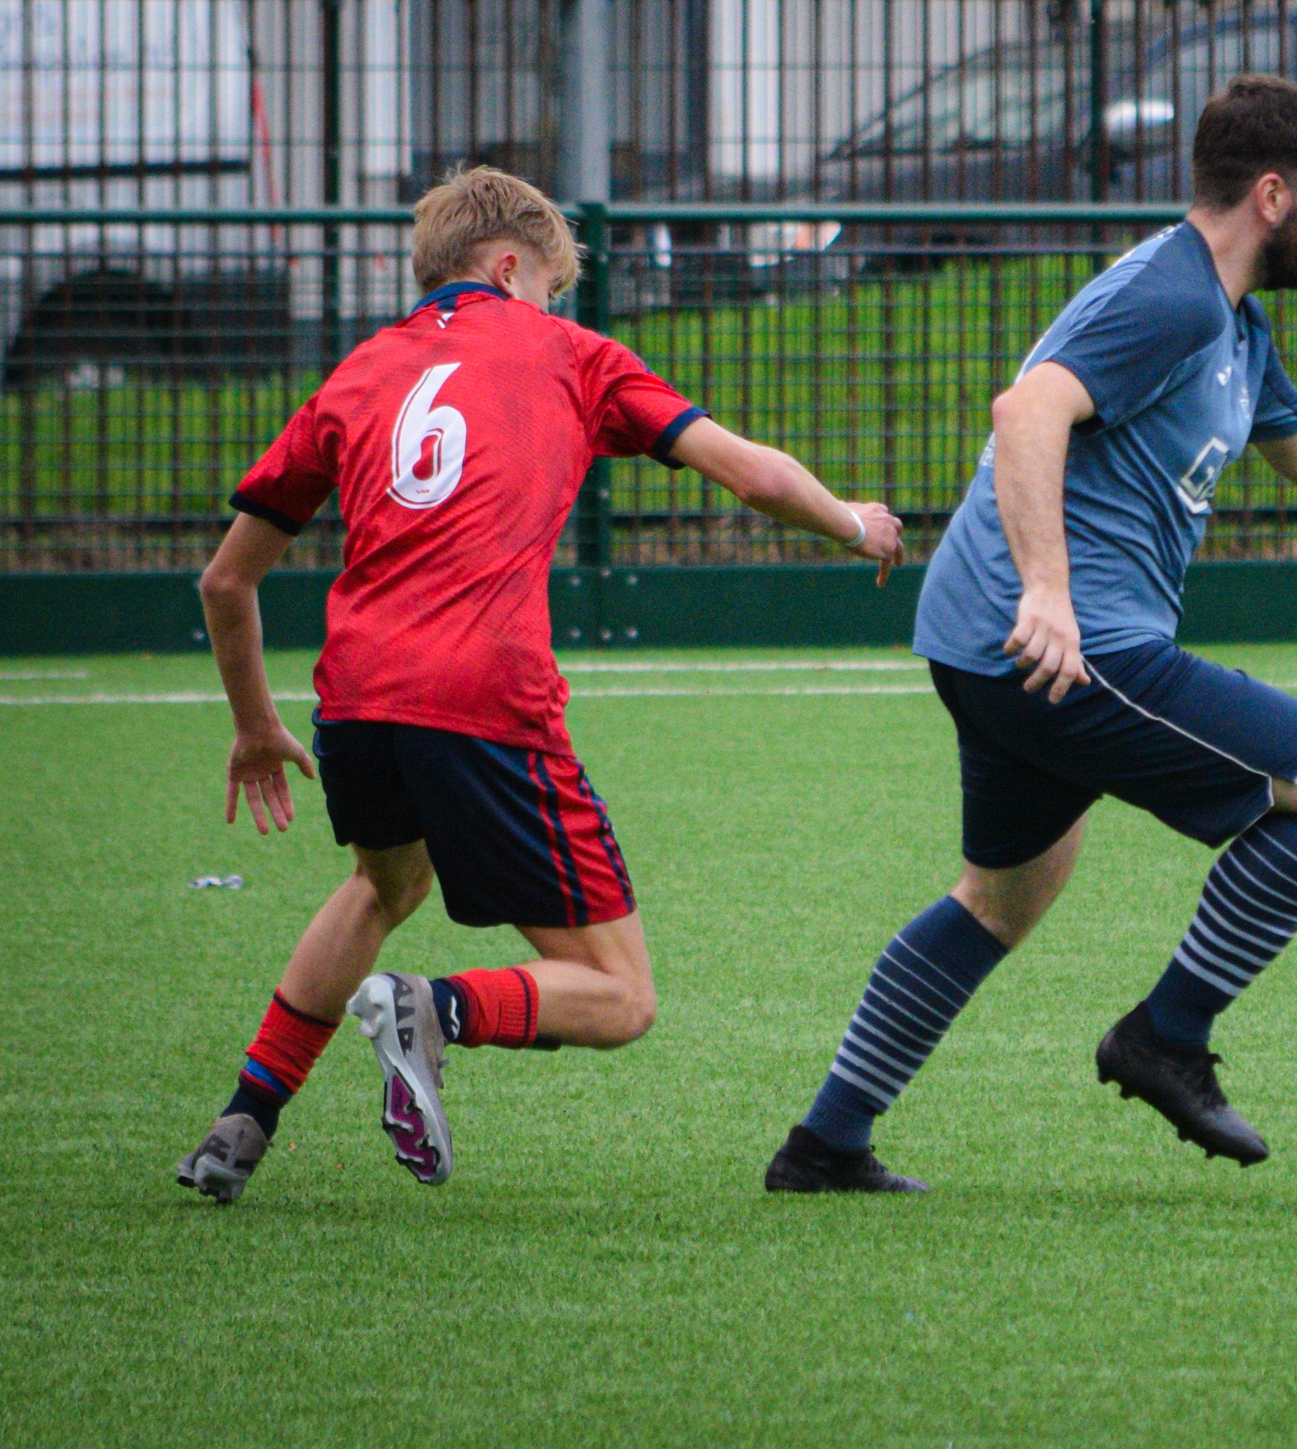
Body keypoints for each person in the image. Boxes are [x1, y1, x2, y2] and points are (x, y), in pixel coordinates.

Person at [766, 75, 1297, 1195]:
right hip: (1065, 642)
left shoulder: (1230, 321)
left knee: (1003, 896)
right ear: (1272, 195)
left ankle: (823, 1146)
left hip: (983, 643)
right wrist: (1048, 591)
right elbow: (1026, 411)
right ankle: (1165, 1035)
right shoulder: (1177, 296)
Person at [178, 166, 904, 1203]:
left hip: (355, 696)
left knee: (387, 883)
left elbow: (226, 578)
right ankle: (436, 1009)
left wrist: (255, 724)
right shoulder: (572, 354)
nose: (556, 305)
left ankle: (243, 1119)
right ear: (511, 266)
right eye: (553, 287)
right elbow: (749, 473)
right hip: (484, 697)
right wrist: (852, 521)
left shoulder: (357, 374)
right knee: (619, 995)